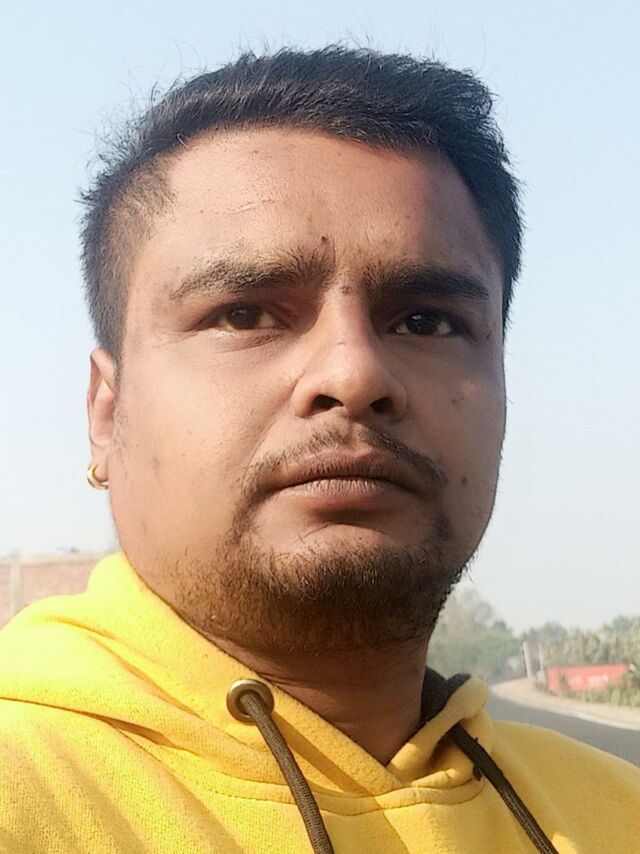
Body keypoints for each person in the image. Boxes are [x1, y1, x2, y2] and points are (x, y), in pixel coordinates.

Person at [0, 46, 638, 854]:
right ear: (106, 410)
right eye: (245, 314)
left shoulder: (613, 812)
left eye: (426, 320)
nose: (354, 374)